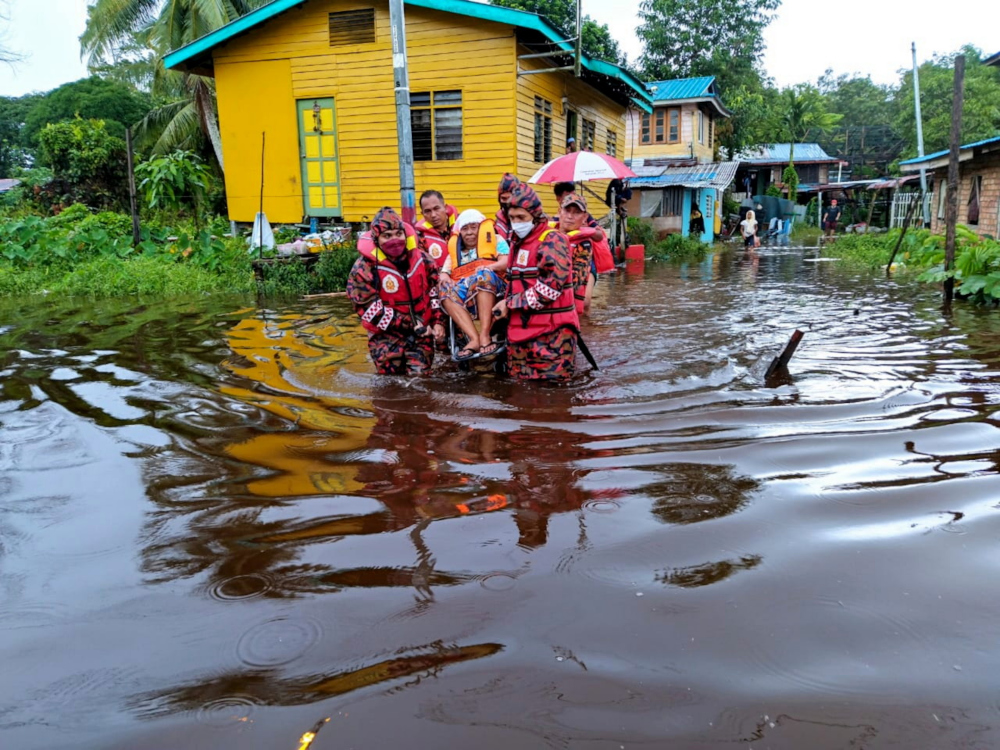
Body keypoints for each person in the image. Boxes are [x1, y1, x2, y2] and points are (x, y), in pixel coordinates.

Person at [492, 182, 580, 382]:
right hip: (520, 334)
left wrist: (509, 304)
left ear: (535, 215)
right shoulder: (516, 242)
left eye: (521, 217)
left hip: (552, 337)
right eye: (512, 218)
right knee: (520, 394)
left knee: (554, 397)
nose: (516, 223)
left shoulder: (552, 240)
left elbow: (550, 289)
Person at [347, 207, 446, 375]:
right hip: (385, 335)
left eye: (398, 234)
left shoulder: (424, 259)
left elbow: (435, 293)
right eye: (387, 236)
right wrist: (412, 324)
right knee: (389, 384)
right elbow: (369, 310)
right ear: (376, 239)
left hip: (422, 332)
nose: (394, 240)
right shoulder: (362, 269)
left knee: (422, 379)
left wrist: (437, 322)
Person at [441, 209, 510, 360]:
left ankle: (485, 334)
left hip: (495, 293)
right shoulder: (455, 251)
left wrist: (489, 267)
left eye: (474, 227)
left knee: (483, 275)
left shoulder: (495, 240)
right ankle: (474, 339)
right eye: (465, 229)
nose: (469, 232)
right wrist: (446, 277)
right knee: (443, 288)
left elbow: (506, 262)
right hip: (466, 297)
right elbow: (444, 272)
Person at [552, 192, 611, 315]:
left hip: (580, 269)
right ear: (559, 211)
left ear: (584, 217)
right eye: (567, 211)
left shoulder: (584, 242)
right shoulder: (548, 234)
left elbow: (575, 281)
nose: (570, 216)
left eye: (576, 213)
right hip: (549, 285)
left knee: (585, 303)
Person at [416, 190, 458, 268]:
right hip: (439, 279)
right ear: (422, 214)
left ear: (445, 208)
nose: (433, 215)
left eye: (436, 208)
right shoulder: (419, 237)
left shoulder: (462, 225)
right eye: (428, 211)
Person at [495, 172, 520, 242]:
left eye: (509, 198)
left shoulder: (527, 220)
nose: (507, 202)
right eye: (503, 198)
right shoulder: (498, 223)